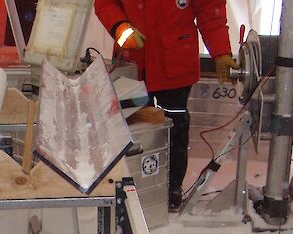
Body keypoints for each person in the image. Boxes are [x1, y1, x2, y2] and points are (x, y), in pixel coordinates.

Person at [94, 0, 238, 208]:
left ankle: (171, 187)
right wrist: (121, 28)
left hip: (175, 63)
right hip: (133, 62)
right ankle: (131, 184)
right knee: (130, 126)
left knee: (174, 126)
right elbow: (105, 3)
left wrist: (221, 52)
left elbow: (210, 10)